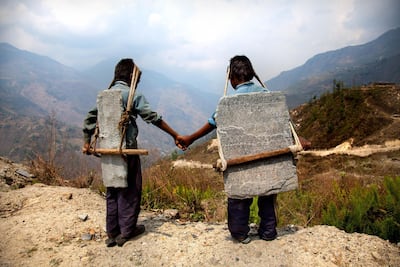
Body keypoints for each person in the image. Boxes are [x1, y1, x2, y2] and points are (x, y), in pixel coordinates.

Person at [176, 55, 278, 244]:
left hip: (241, 158)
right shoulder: (268, 95)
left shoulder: (228, 102)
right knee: (268, 192)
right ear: (252, 74)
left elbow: (212, 122)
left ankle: (240, 233)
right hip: (266, 155)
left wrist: (190, 138)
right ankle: (268, 231)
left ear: (231, 78)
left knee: (238, 194)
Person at [83, 58, 182, 247]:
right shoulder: (131, 95)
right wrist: (174, 134)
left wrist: (87, 142)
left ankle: (112, 232)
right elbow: (151, 116)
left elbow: (90, 117)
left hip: (107, 150)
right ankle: (127, 231)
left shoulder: (104, 95)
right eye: (137, 80)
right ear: (131, 77)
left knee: (112, 189)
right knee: (130, 190)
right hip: (127, 151)